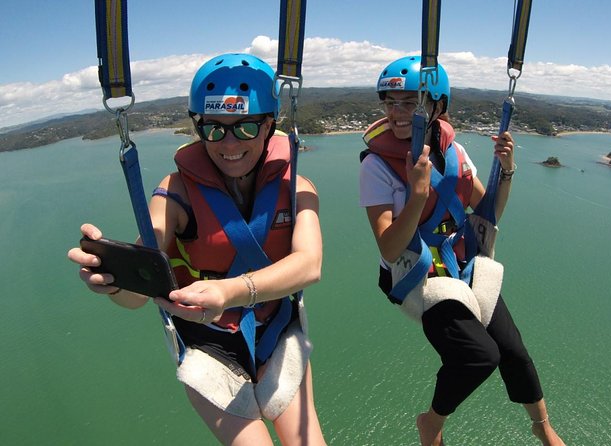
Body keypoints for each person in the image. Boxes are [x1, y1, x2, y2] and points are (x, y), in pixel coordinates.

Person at [68, 53, 327, 446]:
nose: (228, 143)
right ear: (198, 127)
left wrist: (228, 292)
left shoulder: (295, 187)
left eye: (245, 128)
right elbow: (139, 290)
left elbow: (309, 265)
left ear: (269, 126)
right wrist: (115, 278)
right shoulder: (176, 194)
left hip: (276, 332)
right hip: (209, 347)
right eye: (214, 129)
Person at [359, 56, 565, 446]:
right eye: (390, 102)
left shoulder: (454, 153)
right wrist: (417, 194)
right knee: (478, 355)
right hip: (415, 271)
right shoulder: (377, 166)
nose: (398, 113)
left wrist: (506, 169)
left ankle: (542, 426)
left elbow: (487, 213)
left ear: (437, 107)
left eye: (410, 103)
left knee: (513, 351)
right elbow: (388, 245)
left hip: (458, 262)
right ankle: (431, 423)